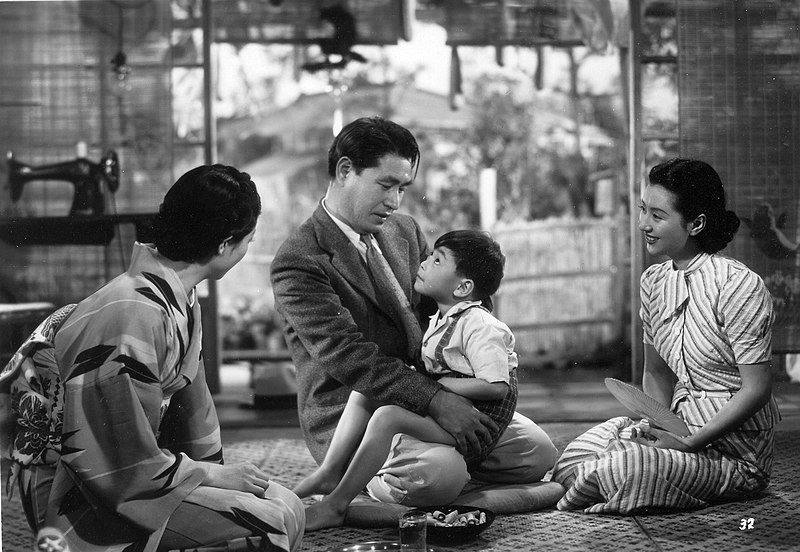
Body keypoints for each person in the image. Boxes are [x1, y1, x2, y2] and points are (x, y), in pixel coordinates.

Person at [0, 165, 304, 551]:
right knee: (268, 522)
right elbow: (116, 453)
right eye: (248, 240)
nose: (248, 249)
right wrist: (207, 479)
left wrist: (215, 475)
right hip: (80, 484)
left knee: (288, 504)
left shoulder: (181, 296)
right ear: (225, 244)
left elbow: (195, 412)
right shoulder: (131, 311)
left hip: (141, 471)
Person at [271, 116, 557, 509]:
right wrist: (436, 399)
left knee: (538, 453)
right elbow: (350, 358)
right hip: (359, 413)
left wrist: (471, 362)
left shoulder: (403, 230)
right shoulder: (301, 259)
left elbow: (455, 304)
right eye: (386, 185)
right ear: (345, 171)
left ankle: (437, 483)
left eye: (403, 188)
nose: (395, 201)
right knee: (440, 477)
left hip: (435, 393)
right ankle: (395, 483)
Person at [552, 158, 780, 513]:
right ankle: (617, 473)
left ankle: (622, 475)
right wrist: (654, 428)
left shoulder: (738, 284)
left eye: (657, 216)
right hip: (675, 428)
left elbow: (757, 388)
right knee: (573, 458)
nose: (643, 224)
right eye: (643, 210)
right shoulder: (654, 282)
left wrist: (688, 443)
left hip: (733, 451)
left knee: (624, 468)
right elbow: (656, 373)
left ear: (696, 223)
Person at [293, 230, 518, 529]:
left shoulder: (480, 325)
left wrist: (433, 388)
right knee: (368, 390)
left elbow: (496, 386)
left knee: (387, 417)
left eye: (437, 261)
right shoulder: (445, 316)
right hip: (454, 410)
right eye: (429, 256)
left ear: (464, 287)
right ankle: (330, 472)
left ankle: (336, 504)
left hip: (475, 427)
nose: (424, 263)